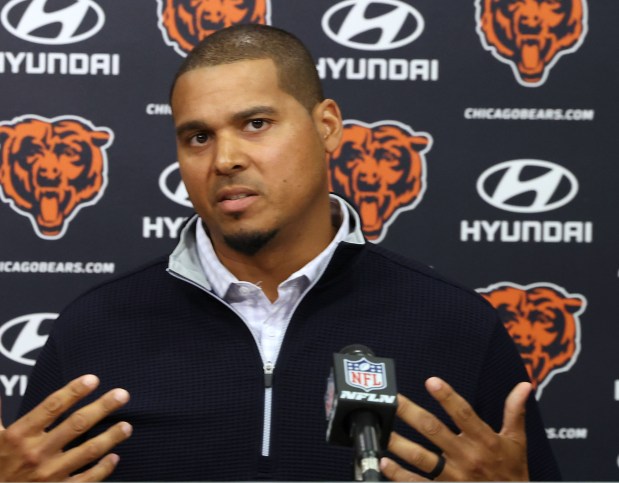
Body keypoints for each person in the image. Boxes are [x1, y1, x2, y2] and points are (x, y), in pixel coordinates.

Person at [0, 25, 560, 481]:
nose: (225, 159)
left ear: (328, 127)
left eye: (256, 124)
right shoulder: (94, 329)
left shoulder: (456, 326)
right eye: (198, 137)